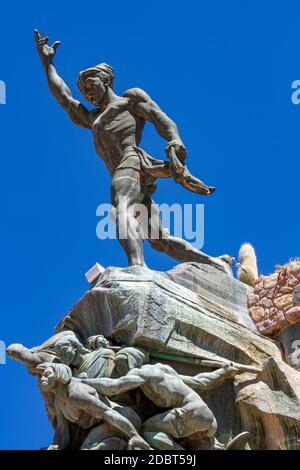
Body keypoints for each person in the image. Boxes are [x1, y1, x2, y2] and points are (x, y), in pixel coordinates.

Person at [34, 30, 232, 275]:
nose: (86, 93)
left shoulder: (129, 100)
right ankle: (217, 264)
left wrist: (175, 140)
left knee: (120, 207)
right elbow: (64, 97)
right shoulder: (92, 117)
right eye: (83, 91)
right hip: (125, 174)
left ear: (106, 80)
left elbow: (161, 119)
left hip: (132, 161)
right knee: (160, 240)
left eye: (89, 85)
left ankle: (137, 267)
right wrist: (48, 64)